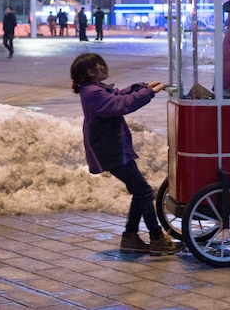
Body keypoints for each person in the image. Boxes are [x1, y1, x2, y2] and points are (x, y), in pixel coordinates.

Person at [69, 53, 183, 255]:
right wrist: (149, 93)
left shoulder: (94, 89)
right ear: (91, 71)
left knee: (140, 190)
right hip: (110, 150)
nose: (105, 68)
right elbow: (121, 104)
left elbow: (119, 94)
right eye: (101, 65)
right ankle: (156, 238)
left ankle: (130, 237)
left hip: (114, 148)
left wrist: (142, 87)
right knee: (143, 191)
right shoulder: (93, 93)